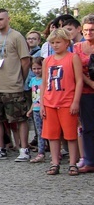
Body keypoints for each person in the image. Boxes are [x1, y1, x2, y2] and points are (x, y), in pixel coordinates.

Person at [0, 9, 32, 162]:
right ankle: (0, 149)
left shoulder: (17, 37)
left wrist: (20, 80)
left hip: (14, 86)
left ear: (8, 19)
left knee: (19, 119)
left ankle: (24, 149)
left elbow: (25, 61)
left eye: (1, 19)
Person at [41, 28, 83, 175]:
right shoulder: (47, 60)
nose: (55, 45)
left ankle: (73, 162)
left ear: (66, 43)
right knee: (52, 135)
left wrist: (76, 101)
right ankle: (55, 162)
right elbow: (44, 82)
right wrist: (42, 103)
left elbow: (79, 81)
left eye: (58, 42)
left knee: (71, 134)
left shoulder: (73, 58)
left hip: (67, 101)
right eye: (52, 43)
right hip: (50, 102)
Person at [73, 14, 94, 174]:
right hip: (86, 90)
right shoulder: (78, 48)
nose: (89, 33)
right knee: (87, 127)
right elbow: (77, 71)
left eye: (92, 30)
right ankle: (89, 160)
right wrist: (91, 83)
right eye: (86, 30)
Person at [26, 57, 46, 164]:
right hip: (36, 109)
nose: (36, 71)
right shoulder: (33, 81)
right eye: (34, 68)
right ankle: (41, 152)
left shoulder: (46, 80)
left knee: (49, 131)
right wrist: (31, 109)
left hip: (45, 108)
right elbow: (34, 97)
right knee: (39, 131)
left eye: (39, 68)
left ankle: (56, 152)